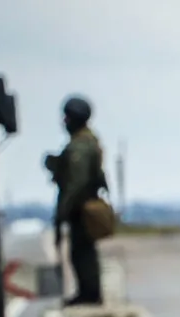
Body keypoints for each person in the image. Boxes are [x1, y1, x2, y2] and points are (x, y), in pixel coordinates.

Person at [44, 95, 105, 305]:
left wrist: (64, 209)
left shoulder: (80, 145)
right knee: (81, 251)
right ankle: (89, 293)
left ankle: (90, 294)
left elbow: (76, 182)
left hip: (81, 206)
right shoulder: (86, 141)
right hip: (83, 204)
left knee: (81, 252)